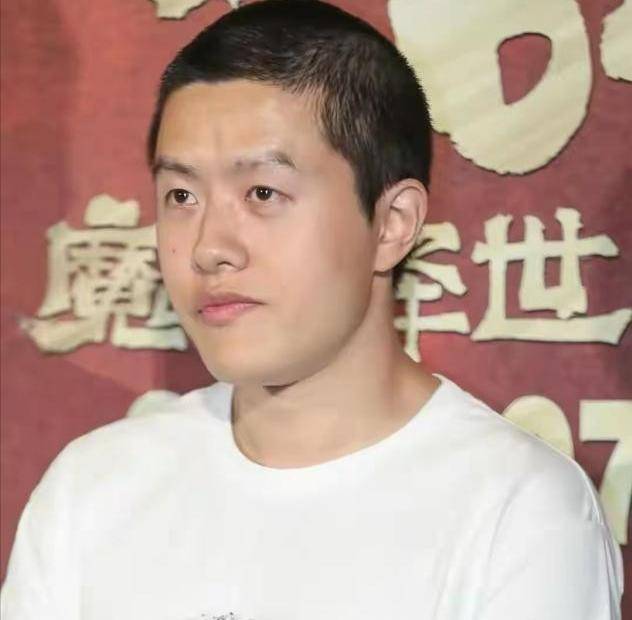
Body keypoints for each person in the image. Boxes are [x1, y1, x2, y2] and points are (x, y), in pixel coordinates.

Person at [1, 1, 624, 618]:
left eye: (263, 192)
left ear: (392, 223)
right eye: (182, 195)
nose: (210, 247)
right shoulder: (92, 492)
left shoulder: (517, 513)